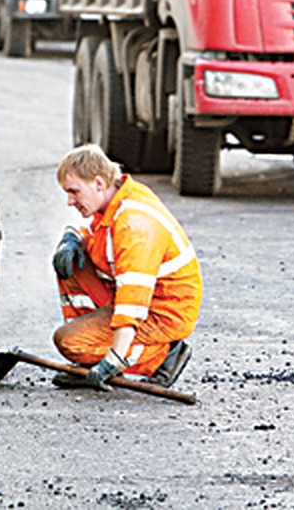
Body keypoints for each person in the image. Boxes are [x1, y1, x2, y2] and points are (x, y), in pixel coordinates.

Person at [50, 144, 202, 390]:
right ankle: (92, 353)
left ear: (99, 183)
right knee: (70, 262)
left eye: (74, 192)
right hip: (146, 298)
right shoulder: (116, 198)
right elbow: (97, 234)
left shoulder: (135, 227)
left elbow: (132, 305)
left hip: (162, 311)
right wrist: (72, 238)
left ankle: (163, 357)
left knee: (69, 343)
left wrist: (112, 361)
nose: (69, 201)